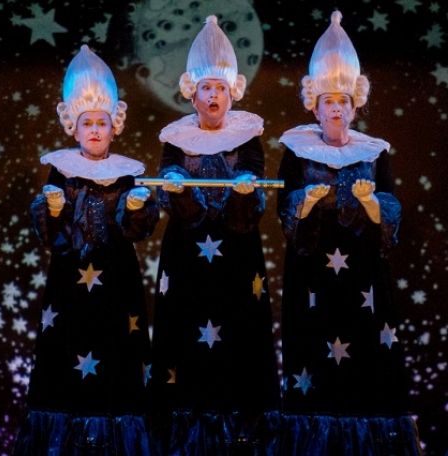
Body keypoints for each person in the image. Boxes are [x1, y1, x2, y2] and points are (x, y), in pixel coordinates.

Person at [277, 11, 421, 455]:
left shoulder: (374, 152)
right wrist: (307, 201)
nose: (336, 108)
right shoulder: (296, 150)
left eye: (343, 100)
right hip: (312, 274)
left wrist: (371, 202)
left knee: (366, 354)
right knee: (314, 358)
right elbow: (285, 209)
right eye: (328, 101)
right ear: (314, 106)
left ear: (355, 106)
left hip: (362, 274)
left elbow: (391, 210)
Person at [13, 45, 159, 455]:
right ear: (73, 128)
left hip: (117, 284)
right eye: (87, 123)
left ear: (115, 126)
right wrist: (52, 208)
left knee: (117, 354)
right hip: (70, 287)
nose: (95, 130)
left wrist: (135, 208)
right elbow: (51, 235)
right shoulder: (61, 170)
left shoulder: (126, 174)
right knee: (67, 355)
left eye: (102, 122)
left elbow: (136, 229)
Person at [150, 15, 279, 455]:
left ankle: (242, 427)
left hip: (237, 255)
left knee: (238, 331)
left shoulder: (248, 137)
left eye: (220, 88)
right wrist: (176, 188)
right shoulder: (176, 138)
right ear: (193, 93)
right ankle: (183, 430)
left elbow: (251, 197)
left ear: (231, 92)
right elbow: (168, 184)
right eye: (206, 87)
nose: (213, 96)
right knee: (185, 336)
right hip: (186, 254)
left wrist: (244, 191)